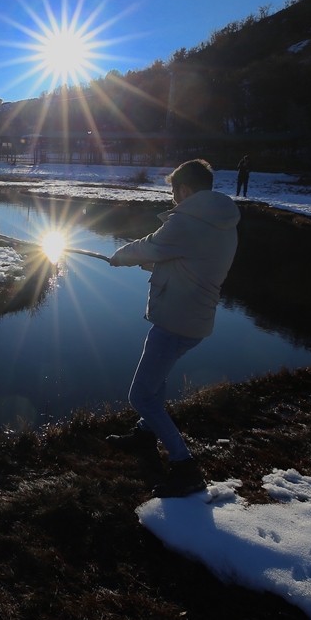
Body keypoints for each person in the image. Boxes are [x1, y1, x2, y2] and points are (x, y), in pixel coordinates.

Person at [106, 159, 240, 497]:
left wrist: (121, 255)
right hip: (195, 318)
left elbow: (151, 245)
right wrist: (151, 264)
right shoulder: (220, 219)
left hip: (175, 320)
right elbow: (190, 260)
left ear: (185, 189)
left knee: (140, 395)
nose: (173, 199)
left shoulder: (187, 220)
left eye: (174, 192)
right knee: (158, 379)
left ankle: (185, 467)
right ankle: (145, 432)